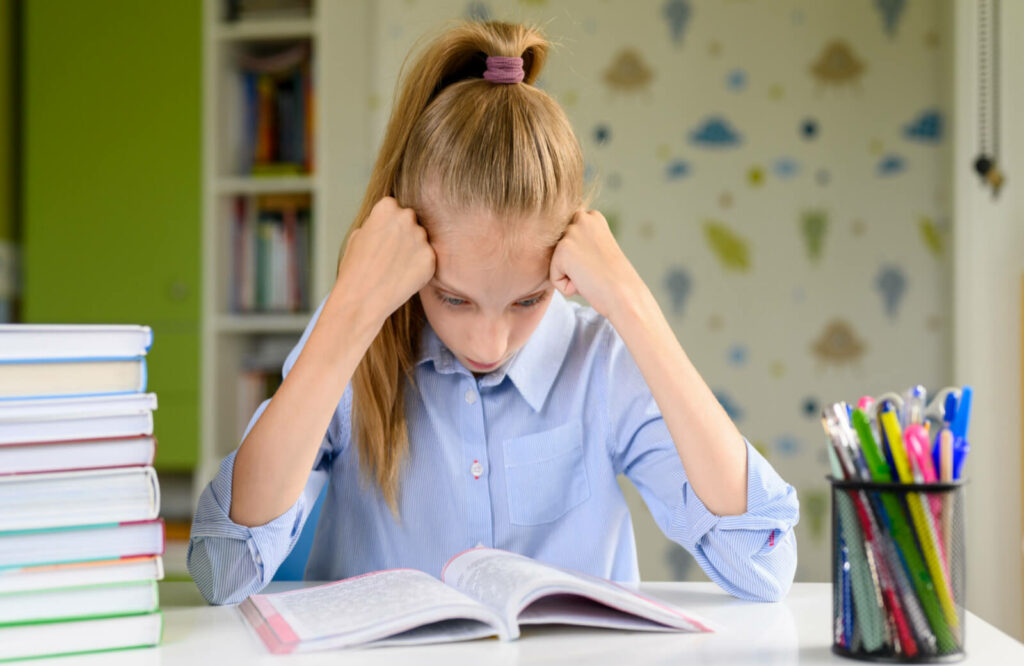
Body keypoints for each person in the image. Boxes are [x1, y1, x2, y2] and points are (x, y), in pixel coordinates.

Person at [188, 19, 799, 606]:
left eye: (527, 300)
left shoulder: (600, 364)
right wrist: (351, 302)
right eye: (453, 298)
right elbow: (224, 567)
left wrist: (632, 304)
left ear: (565, 264)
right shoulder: (354, 344)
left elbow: (762, 563)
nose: (488, 340)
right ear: (412, 256)